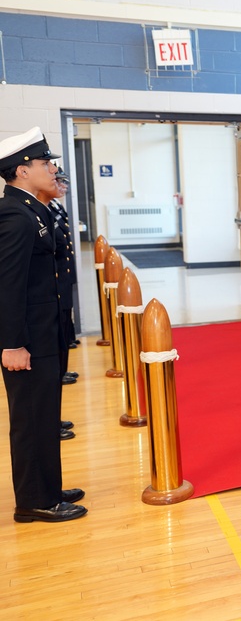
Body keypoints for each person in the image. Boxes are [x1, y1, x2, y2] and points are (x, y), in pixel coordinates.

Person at [0, 127, 87, 523]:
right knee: (32, 420)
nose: (52, 169)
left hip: (44, 334)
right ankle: (34, 500)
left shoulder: (32, 209)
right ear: (21, 170)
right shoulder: (15, 216)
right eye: (44, 163)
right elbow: (9, 284)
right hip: (28, 341)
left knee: (44, 415)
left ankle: (47, 487)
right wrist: (12, 343)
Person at [35, 169, 79, 441]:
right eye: (57, 180)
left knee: (61, 345)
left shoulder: (51, 210)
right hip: (48, 296)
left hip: (58, 288)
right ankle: (49, 424)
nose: (60, 184)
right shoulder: (28, 214)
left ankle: (52, 421)